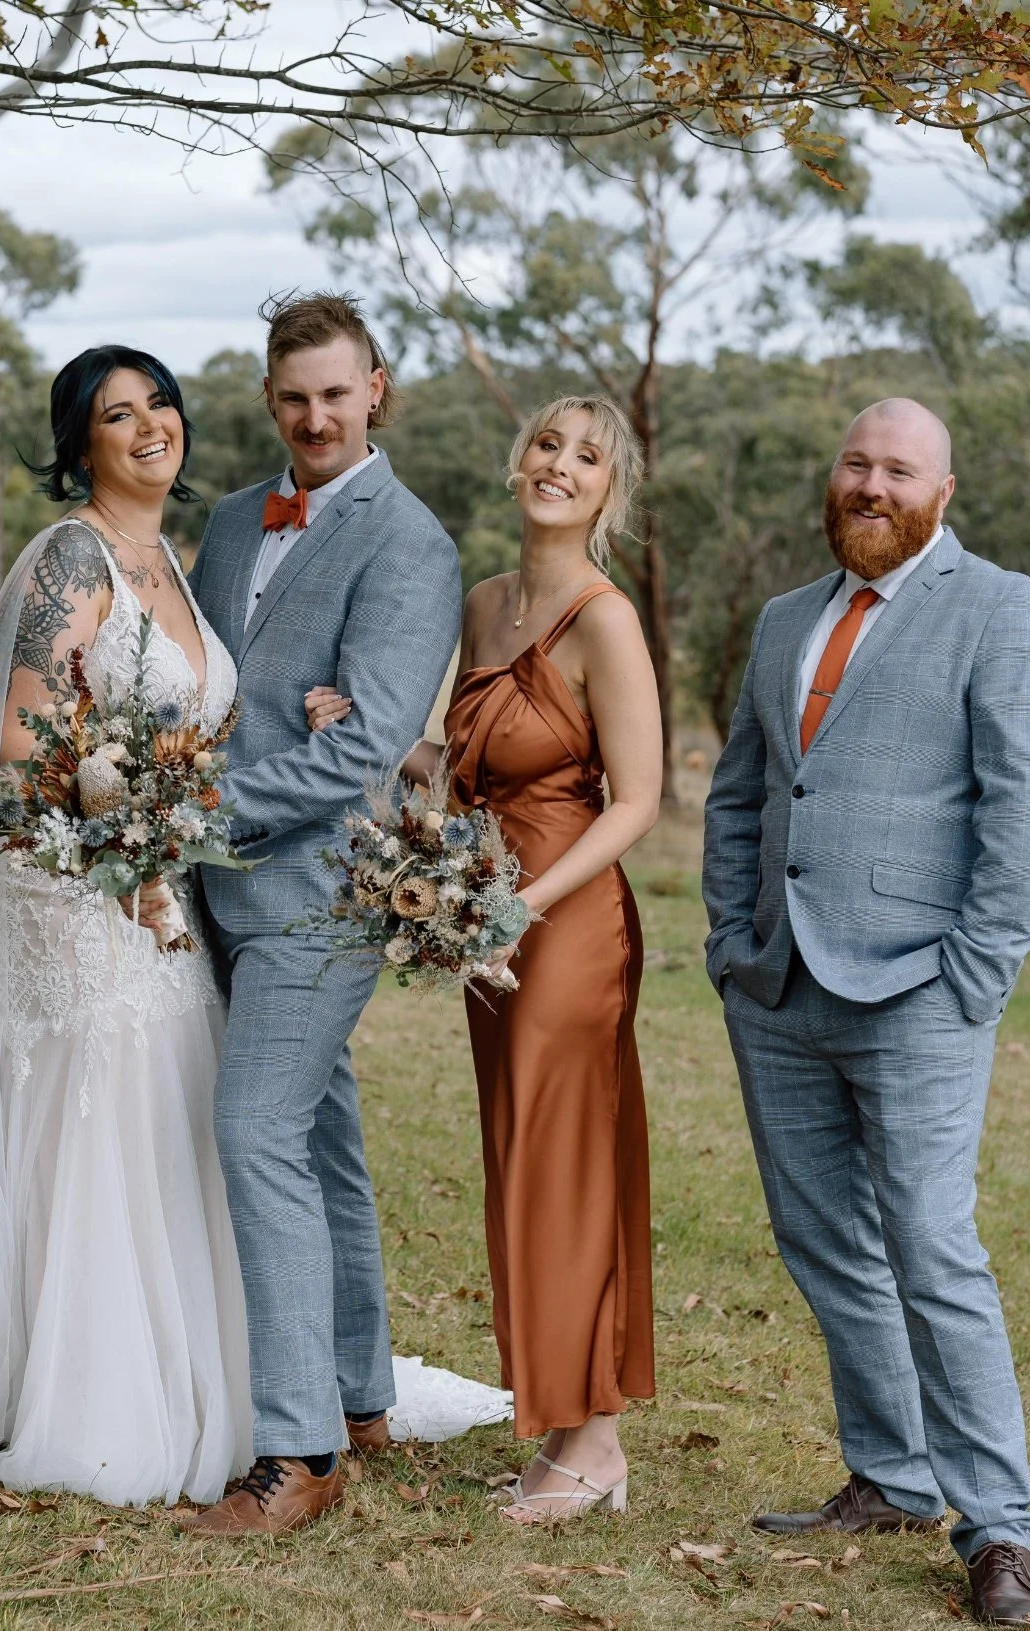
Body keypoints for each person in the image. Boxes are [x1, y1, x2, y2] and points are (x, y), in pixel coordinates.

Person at [702, 398, 1030, 1625]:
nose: (872, 485)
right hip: (778, 987)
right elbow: (741, 798)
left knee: (931, 1248)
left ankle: (998, 1529)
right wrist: (727, 941)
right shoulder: (782, 621)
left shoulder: (1007, 611)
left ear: (942, 491)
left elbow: (1028, 815)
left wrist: (973, 974)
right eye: (856, 463)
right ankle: (890, 1472)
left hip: (921, 987)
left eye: (898, 470)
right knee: (824, 1244)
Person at [311, 395, 660, 1522]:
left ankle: (593, 1436)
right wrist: (379, 734)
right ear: (517, 465)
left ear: (610, 490)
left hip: (564, 923)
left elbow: (640, 798)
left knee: (568, 1165)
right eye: (547, 445)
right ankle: (563, 1418)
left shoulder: (604, 619)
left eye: (587, 456)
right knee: (518, 1158)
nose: (560, 465)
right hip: (487, 920)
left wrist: (525, 906)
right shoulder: (486, 602)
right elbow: (468, 765)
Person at [0, 345, 252, 1506]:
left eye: (159, 401)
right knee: (101, 1114)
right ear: (79, 448)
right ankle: (93, 1403)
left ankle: (187, 1378)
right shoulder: (73, 558)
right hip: (74, 890)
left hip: (156, 884)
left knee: (168, 1115)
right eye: (118, 413)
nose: (150, 423)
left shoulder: (172, 561)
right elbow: (19, 743)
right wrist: (124, 826)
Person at [178, 294, 464, 1536]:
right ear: (269, 401)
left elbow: (366, 754)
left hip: (323, 893)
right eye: (293, 399)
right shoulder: (234, 521)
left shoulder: (412, 546)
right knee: (319, 1136)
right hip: (213, 890)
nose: (314, 419)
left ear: (377, 389)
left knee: (253, 1134)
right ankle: (356, 1392)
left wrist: (192, 806)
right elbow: (190, 674)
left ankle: (297, 1452)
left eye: (336, 395)